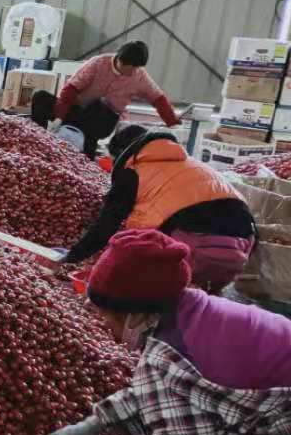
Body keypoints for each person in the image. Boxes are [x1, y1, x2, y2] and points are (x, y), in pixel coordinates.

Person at [43, 229, 291, 435]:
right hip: (280, 414)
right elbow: (173, 393)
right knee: (186, 425)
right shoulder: (198, 310)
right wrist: (98, 422)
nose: (103, 325)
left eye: (106, 315)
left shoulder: (168, 358)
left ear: (134, 315)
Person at [61, 124, 255, 289]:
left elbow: (107, 224)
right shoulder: (192, 165)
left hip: (193, 247)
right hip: (241, 248)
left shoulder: (133, 171)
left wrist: (73, 256)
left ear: (123, 155)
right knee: (200, 302)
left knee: (148, 283)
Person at [52, 41, 181, 158]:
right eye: (132, 67)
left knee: (98, 106)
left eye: (136, 68)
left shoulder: (139, 76)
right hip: (79, 112)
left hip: (104, 121)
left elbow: (157, 98)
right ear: (120, 60)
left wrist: (172, 122)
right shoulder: (98, 64)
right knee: (41, 97)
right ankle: (45, 141)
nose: (134, 72)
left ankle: (86, 155)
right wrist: (59, 116)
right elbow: (71, 88)